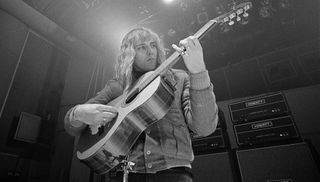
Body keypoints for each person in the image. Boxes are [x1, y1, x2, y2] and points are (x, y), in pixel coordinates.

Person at [64, 27, 218, 182]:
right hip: (124, 175)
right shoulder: (116, 86)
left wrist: (198, 71)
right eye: (142, 47)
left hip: (173, 174)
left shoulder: (179, 78)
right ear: (129, 55)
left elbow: (204, 127)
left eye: (153, 45)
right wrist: (78, 113)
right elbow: (72, 127)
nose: (151, 51)